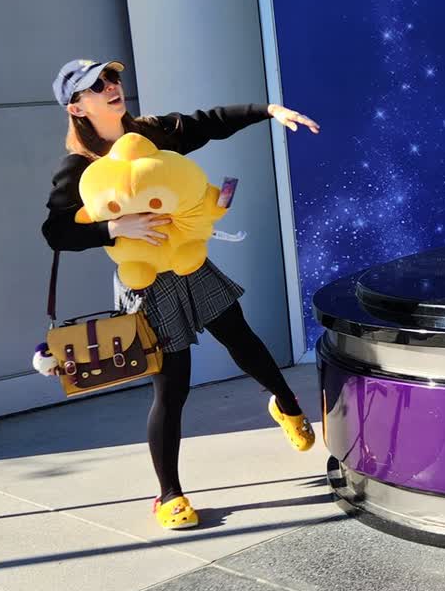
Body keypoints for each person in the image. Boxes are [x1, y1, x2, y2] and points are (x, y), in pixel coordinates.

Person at [42, 57, 320, 532]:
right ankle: (169, 494)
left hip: (190, 261)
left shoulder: (151, 132)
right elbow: (56, 231)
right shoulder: (79, 167)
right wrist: (115, 227)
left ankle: (285, 404)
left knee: (242, 340)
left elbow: (207, 123)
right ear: (77, 107)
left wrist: (269, 110)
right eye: (97, 85)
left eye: (112, 78)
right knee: (172, 387)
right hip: (146, 281)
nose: (112, 87)